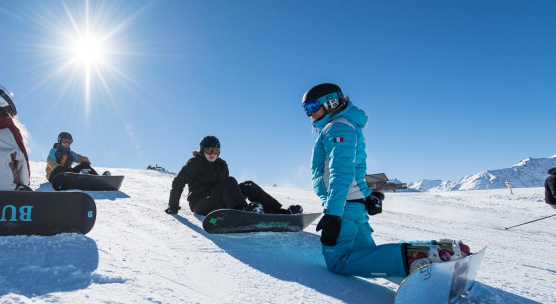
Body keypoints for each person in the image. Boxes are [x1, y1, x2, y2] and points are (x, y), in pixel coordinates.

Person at [302, 83, 469, 278]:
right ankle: (442, 251)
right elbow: (354, 169)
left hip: (343, 207)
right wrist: (367, 194)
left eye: (312, 107)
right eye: (306, 109)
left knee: (338, 262)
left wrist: (333, 215)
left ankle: (422, 256)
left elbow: (342, 172)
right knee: (367, 256)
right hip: (353, 205)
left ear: (330, 103)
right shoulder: (345, 125)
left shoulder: (337, 127)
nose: (309, 114)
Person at [166, 135, 303, 216]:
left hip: (218, 201)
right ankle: (243, 211)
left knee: (247, 185)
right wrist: (173, 207)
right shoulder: (194, 163)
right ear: (202, 151)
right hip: (200, 203)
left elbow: (228, 189)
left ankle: (278, 211)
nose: (213, 153)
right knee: (230, 181)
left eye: (216, 150)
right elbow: (178, 182)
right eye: (209, 150)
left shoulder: (222, 164)